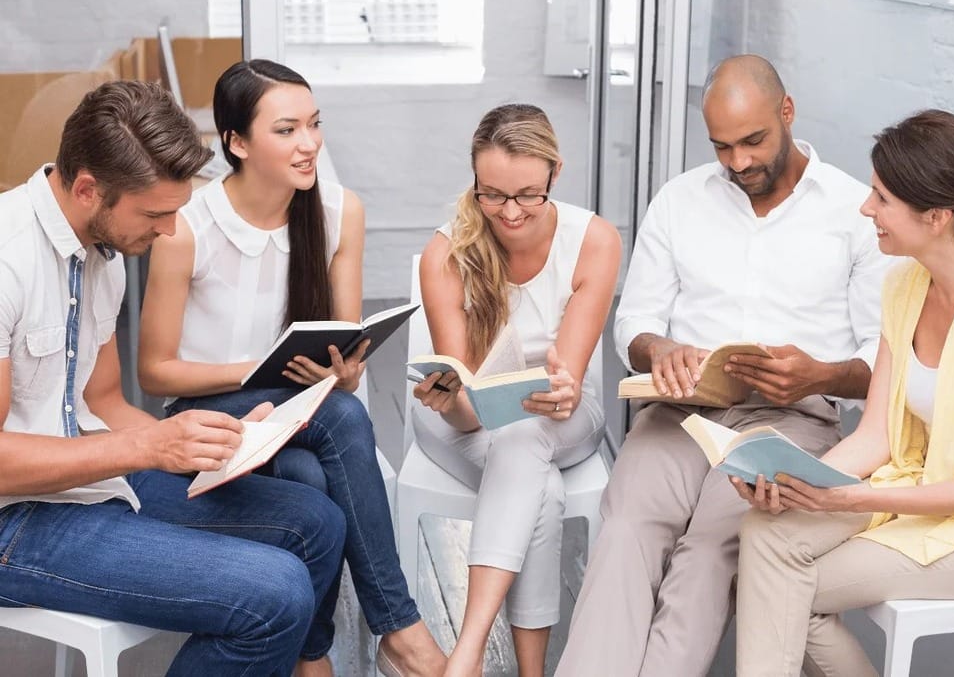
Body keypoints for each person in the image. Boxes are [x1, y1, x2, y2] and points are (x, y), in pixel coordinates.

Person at [556, 54, 892, 676]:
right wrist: (660, 351)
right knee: (629, 525)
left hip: (794, 420)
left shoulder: (857, 213)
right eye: (722, 147)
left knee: (712, 545)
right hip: (681, 411)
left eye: (753, 141)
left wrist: (820, 375)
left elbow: (882, 357)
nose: (738, 163)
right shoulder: (680, 200)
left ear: (787, 113)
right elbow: (635, 322)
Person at [0, 79, 347, 677]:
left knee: (316, 523)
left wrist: (210, 440)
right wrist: (149, 445)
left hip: (91, 480)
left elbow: (103, 400)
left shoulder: (102, 250)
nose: (166, 232)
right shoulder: (9, 257)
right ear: (88, 189)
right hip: (16, 518)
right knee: (277, 593)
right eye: (156, 214)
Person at [137, 59, 445, 677]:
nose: (309, 144)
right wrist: (257, 369)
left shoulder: (338, 211)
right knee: (343, 418)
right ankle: (395, 630)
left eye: (314, 124)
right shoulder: (186, 227)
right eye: (286, 130)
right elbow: (155, 373)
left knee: (314, 464)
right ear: (237, 142)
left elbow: (343, 350)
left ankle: (311, 653)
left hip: (304, 416)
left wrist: (345, 370)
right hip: (208, 415)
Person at [732, 109, 954, 677]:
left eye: (882, 198)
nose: (867, 210)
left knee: (785, 586)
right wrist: (795, 481)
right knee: (767, 536)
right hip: (922, 483)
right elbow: (879, 436)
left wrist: (855, 499)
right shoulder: (905, 284)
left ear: (936, 216)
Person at [410, 103, 621, 677]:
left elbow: (568, 383)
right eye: (492, 195)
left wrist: (560, 393)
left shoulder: (594, 241)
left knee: (528, 430)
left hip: (559, 414)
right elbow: (465, 404)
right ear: (474, 182)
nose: (509, 213)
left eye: (528, 194)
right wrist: (455, 400)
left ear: (557, 172)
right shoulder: (447, 252)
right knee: (541, 490)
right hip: (461, 423)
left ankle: (466, 654)